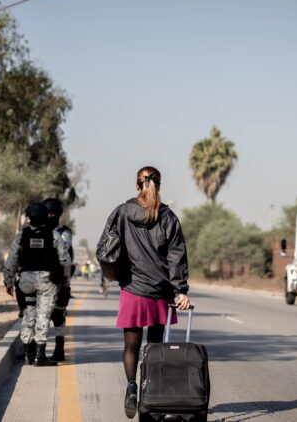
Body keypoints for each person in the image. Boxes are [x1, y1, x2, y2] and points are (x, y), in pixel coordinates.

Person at [98, 166, 191, 419]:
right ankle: (149, 397)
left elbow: (106, 246)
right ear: (159, 186)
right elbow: (176, 255)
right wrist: (180, 289)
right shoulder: (168, 217)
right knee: (154, 347)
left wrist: (116, 273)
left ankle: (131, 386)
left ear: (137, 185)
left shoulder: (122, 211)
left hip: (132, 289)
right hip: (160, 291)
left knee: (131, 345)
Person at [4, 202, 71, 367]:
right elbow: (65, 260)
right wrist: (65, 279)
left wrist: (8, 281)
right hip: (46, 282)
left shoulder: (22, 235)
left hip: (26, 280)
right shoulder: (53, 235)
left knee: (28, 314)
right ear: (45, 216)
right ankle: (40, 356)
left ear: (29, 217)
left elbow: (11, 260)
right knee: (43, 315)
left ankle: (27, 354)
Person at [43, 198, 74, 362]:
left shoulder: (64, 232)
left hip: (58, 281)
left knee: (58, 316)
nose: (48, 216)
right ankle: (34, 351)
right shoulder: (37, 231)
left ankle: (59, 349)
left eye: (51, 213)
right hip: (39, 279)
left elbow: (64, 249)